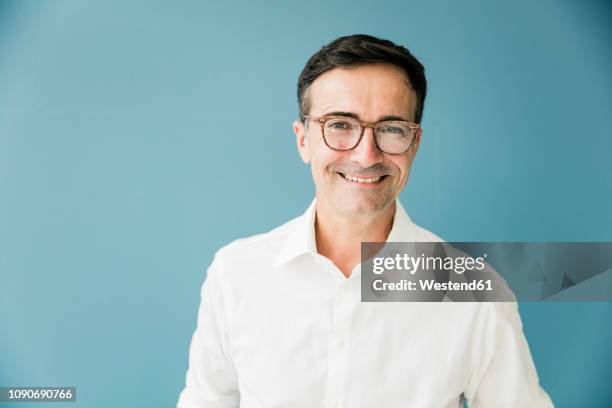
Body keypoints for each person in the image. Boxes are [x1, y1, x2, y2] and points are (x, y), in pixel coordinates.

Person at [177, 34, 553, 408]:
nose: (365, 155)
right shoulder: (236, 273)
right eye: (340, 124)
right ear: (303, 140)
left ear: (415, 144)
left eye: (391, 129)